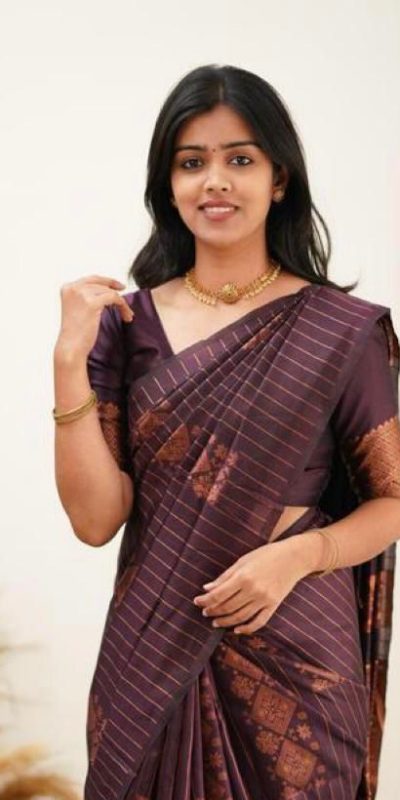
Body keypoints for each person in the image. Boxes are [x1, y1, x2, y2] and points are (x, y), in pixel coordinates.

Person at [53, 64, 400, 800]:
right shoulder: (127, 327)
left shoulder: (340, 331)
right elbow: (95, 521)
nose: (215, 181)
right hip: (150, 660)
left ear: (279, 180)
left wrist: (299, 556)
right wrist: (66, 364)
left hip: (299, 656)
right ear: (168, 184)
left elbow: (392, 500)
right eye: (192, 162)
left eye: (240, 159)